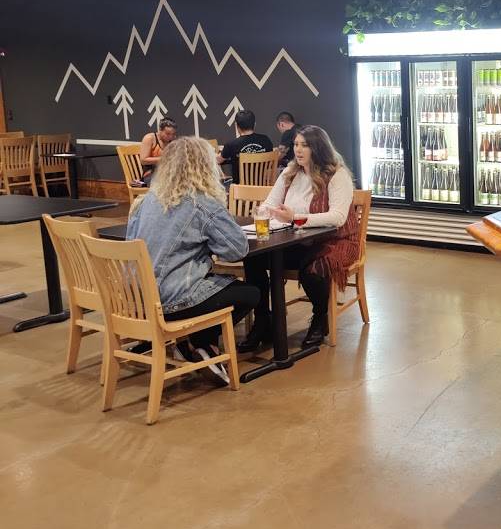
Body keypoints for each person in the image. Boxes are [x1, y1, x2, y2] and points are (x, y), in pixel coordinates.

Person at [126, 136, 261, 383]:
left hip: (136, 298)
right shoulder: (202, 203)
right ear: (205, 166)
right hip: (171, 300)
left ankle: (195, 346)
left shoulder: (145, 201)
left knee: (215, 284)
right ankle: (200, 343)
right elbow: (237, 250)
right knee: (250, 293)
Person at [240, 125, 358, 351]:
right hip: (295, 239)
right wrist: (264, 212)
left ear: (318, 148)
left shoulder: (336, 174)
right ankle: (263, 320)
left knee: (313, 270)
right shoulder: (290, 172)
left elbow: (337, 218)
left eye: (305, 145)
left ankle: (320, 318)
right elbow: (270, 204)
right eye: (296, 144)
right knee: (253, 258)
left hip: (334, 240)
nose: (298, 150)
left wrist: (295, 218)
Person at [218, 109, 275, 182]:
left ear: (236, 125)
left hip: (240, 187)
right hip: (263, 186)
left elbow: (217, 160)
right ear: (254, 124)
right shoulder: (266, 140)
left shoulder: (231, 145)